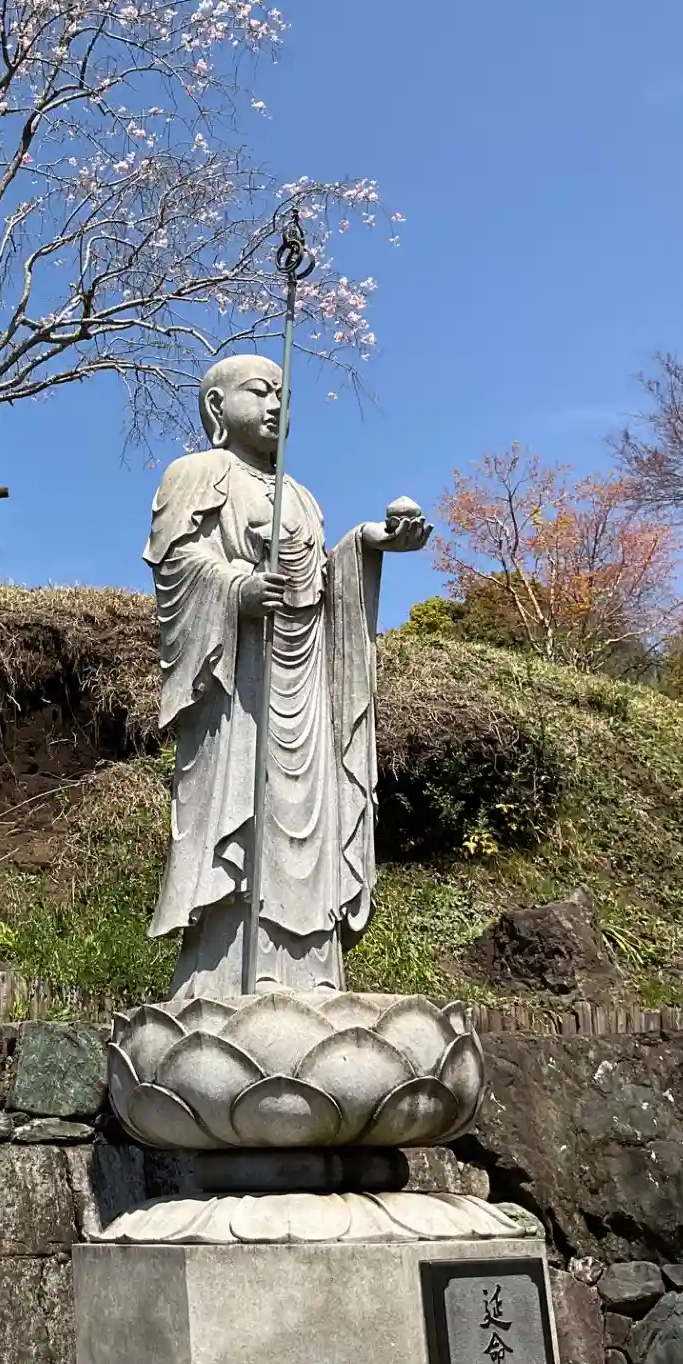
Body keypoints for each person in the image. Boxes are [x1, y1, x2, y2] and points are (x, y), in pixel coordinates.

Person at [146, 353, 429, 999]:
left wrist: (367, 545)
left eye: (284, 395)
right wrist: (237, 588)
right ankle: (227, 976)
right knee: (244, 818)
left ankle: (311, 974)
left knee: (308, 825)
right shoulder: (196, 474)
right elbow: (175, 565)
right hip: (238, 685)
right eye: (260, 391)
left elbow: (320, 584)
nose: (276, 405)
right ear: (217, 406)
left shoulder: (300, 497)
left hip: (306, 683)